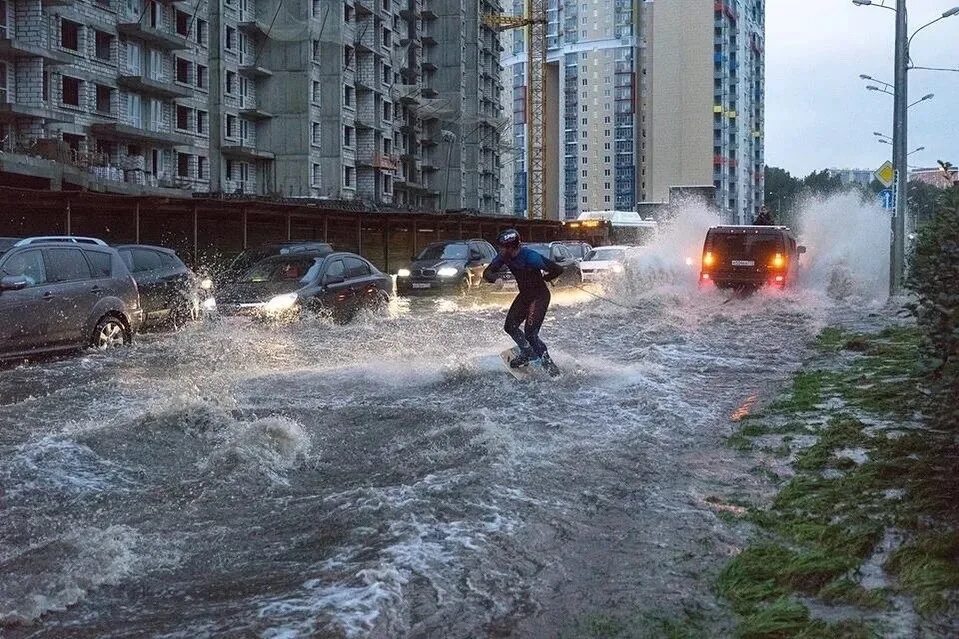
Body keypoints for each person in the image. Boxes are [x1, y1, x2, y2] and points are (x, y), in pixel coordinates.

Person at [483, 229, 564, 368]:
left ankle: (550, 366)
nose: (499, 250)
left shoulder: (530, 257)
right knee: (510, 326)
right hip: (525, 296)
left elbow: (557, 269)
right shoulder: (504, 256)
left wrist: (547, 277)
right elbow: (487, 272)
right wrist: (495, 279)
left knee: (531, 334)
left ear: (510, 247)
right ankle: (527, 352)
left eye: (501, 247)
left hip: (539, 296)